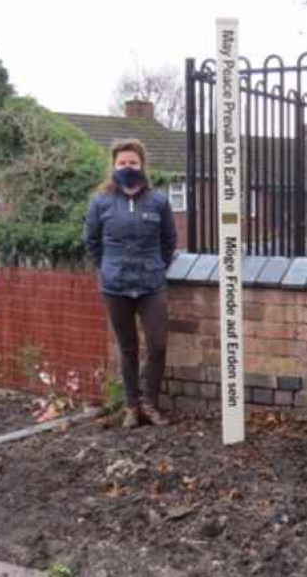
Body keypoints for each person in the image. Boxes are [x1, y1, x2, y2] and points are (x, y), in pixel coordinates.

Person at [86, 139, 176, 428]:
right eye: (122, 163)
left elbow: (169, 241)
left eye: (133, 163)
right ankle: (131, 407)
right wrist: (109, 267)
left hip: (151, 284)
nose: (128, 168)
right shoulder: (100, 202)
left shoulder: (159, 202)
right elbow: (92, 242)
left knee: (158, 345)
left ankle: (149, 403)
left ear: (142, 165)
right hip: (116, 286)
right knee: (127, 348)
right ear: (114, 165)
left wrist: (157, 266)